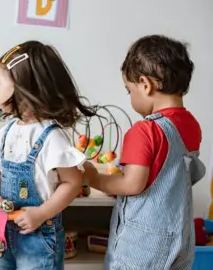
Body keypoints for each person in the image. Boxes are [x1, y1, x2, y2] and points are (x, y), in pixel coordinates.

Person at [83, 35, 206, 270]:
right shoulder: (191, 125)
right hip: (181, 238)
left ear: (145, 84)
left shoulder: (145, 130)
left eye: (129, 91)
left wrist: (93, 178)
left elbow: (131, 184)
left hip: (146, 244)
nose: (130, 97)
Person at [0, 41, 97, 270]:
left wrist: (42, 213)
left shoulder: (50, 137)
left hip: (37, 234)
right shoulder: (6, 132)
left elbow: (73, 182)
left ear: (22, 86)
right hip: (2, 229)